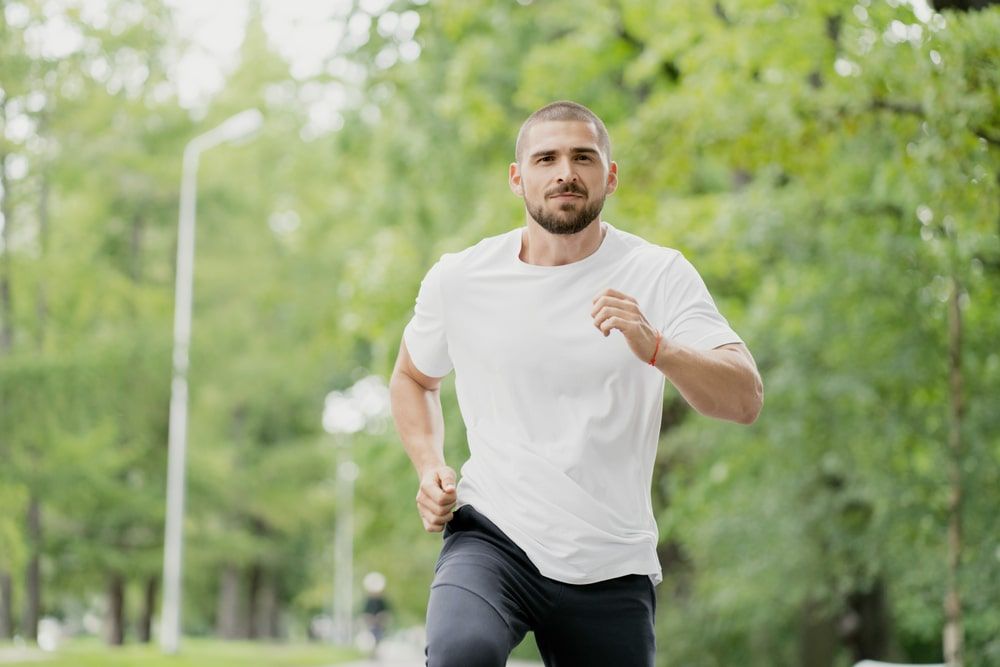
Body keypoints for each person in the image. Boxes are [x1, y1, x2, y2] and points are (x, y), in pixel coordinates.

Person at [389, 100, 763, 667]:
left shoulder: (658, 273)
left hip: (610, 559)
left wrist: (658, 347)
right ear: (518, 178)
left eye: (583, 157)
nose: (566, 171)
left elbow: (744, 399)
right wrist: (428, 465)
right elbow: (413, 377)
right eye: (547, 158)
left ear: (609, 175)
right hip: (492, 536)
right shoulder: (460, 278)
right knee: (460, 653)